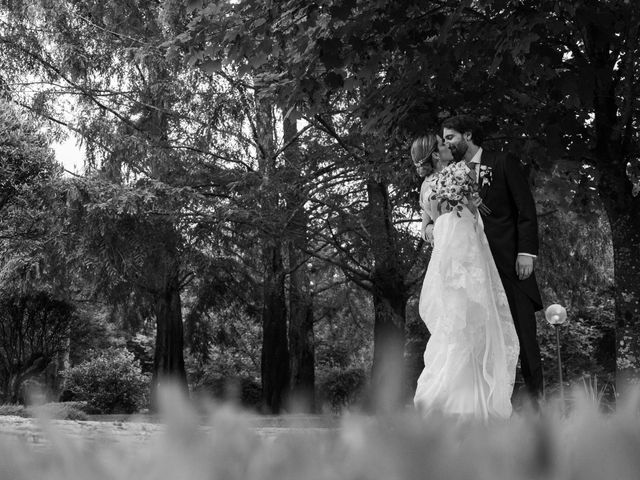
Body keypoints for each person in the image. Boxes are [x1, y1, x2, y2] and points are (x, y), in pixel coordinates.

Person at [412, 132, 519, 421]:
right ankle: (451, 399)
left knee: (476, 321)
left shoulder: (460, 171)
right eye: (442, 144)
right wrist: (433, 229)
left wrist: (467, 200)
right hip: (451, 250)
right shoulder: (428, 184)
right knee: (455, 321)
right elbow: (427, 224)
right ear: (435, 154)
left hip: (470, 247)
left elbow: (475, 209)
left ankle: (475, 399)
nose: (448, 146)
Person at [441, 114, 544, 403]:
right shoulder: (452, 174)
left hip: (510, 264)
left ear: (468, 135)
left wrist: (526, 253)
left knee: (525, 337)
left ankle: (538, 408)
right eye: (445, 139)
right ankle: (498, 407)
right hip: (476, 271)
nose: (446, 143)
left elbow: (526, 209)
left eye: (450, 137)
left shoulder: (502, 163)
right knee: (486, 342)